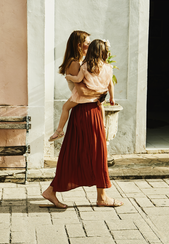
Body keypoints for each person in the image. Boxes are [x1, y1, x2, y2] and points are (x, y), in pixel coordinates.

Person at [42, 39, 123, 208]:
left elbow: (85, 86)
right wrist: (102, 94)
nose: (86, 44)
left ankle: (54, 190)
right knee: (95, 153)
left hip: (88, 110)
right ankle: (101, 197)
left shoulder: (84, 66)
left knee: (77, 153)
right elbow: (82, 90)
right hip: (87, 112)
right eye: (84, 41)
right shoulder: (79, 64)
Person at [49, 30, 90, 142]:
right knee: (65, 107)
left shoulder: (81, 61)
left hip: (80, 96)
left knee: (65, 107)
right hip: (79, 95)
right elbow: (80, 89)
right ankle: (59, 130)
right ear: (79, 45)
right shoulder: (74, 63)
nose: (90, 47)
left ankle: (59, 130)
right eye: (88, 44)